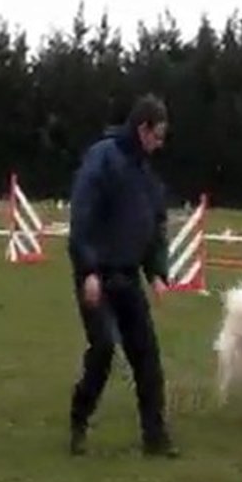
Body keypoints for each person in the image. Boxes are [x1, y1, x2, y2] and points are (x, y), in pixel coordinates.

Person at [67, 94, 177, 458]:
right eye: (157, 136)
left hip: (128, 277)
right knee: (102, 349)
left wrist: (157, 272)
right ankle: (79, 419)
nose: (160, 145)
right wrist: (88, 271)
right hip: (97, 275)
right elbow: (83, 217)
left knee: (147, 356)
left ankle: (155, 437)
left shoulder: (147, 176)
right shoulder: (103, 159)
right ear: (143, 128)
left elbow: (153, 226)